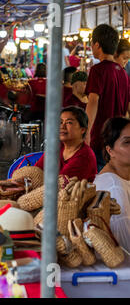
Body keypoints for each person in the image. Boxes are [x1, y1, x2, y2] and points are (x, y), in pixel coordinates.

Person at [84, 24, 130, 172]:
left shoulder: (97, 70)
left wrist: (86, 131)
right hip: (118, 138)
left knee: (99, 180)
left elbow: (93, 102)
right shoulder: (122, 73)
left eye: (91, 44)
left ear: (97, 45)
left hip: (100, 136)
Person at [93, 117, 130, 252]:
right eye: (127, 142)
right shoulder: (114, 188)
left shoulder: (123, 175)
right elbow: (125, 244)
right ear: (110, 151)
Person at [35, 106, 97, 182]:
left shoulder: (85, 156)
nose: (62, 126)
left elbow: (61, 184)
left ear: (82, 130)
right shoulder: (57, 147)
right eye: (60, 122)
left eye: (69, 122)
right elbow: (37, 170)